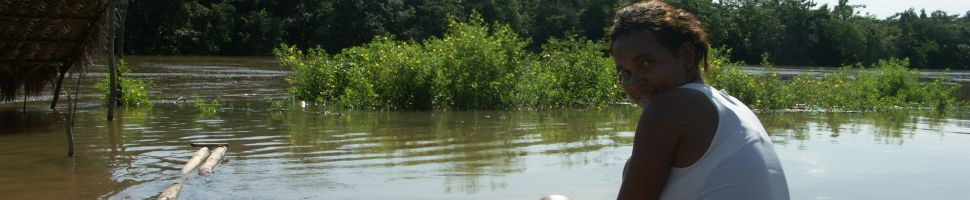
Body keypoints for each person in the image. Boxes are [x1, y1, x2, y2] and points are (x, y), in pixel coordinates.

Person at [609, 1, 789, 199]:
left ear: (686, 55)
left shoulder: (669, 108)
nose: (634, 83)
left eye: (646, 63)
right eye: (625, 72)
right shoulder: (734, 107)